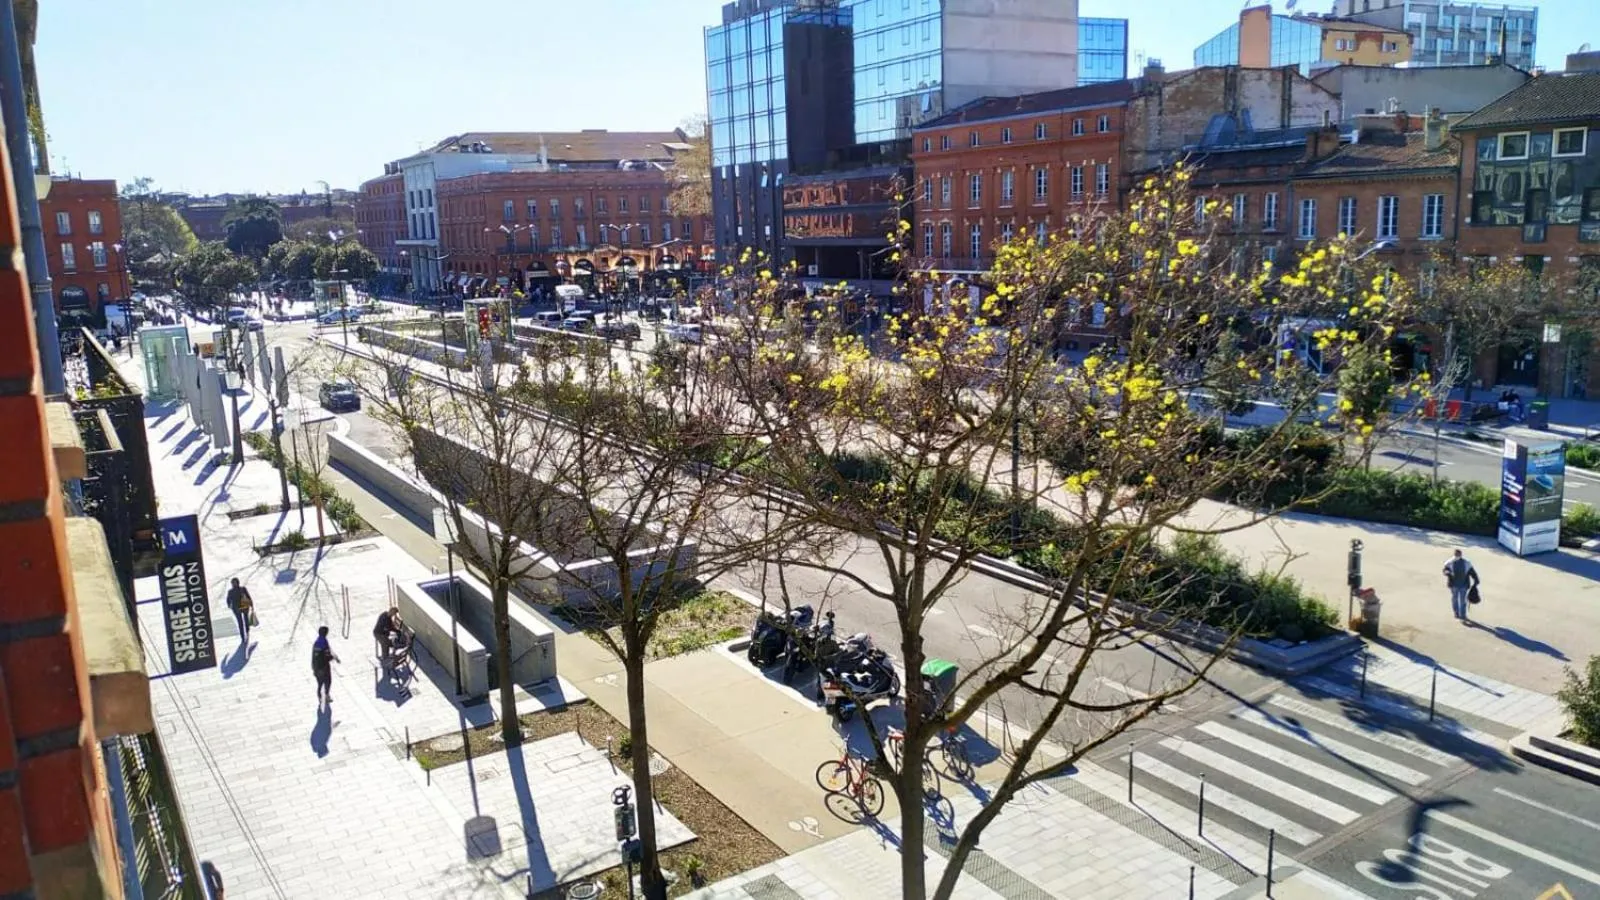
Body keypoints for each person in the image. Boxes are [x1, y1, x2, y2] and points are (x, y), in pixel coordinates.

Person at [1442, 549, 1481, 623]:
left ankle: (1462, 615)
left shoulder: (1466, 563)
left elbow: (1472, 572)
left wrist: (1476, 580)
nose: (1456, 556)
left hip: (1464, 585)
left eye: (1458, 555)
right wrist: (1447, 572)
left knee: (1462, 600)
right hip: (1454, 585)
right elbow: (1444, 570)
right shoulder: (1449, 562)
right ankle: (1456, 613)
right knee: (1455, 599)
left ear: (1461, 555)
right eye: (1455, 555)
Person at [311, 626, 340, 707]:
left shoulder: (317, 642)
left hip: (316, 667)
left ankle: (320, 697)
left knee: (319, 684)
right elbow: (327, 656)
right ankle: (327, 696)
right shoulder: (324, 642)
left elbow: (314, 656)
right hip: (324, 667)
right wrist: (334, 658)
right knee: (328, 681)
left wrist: (313, 667)